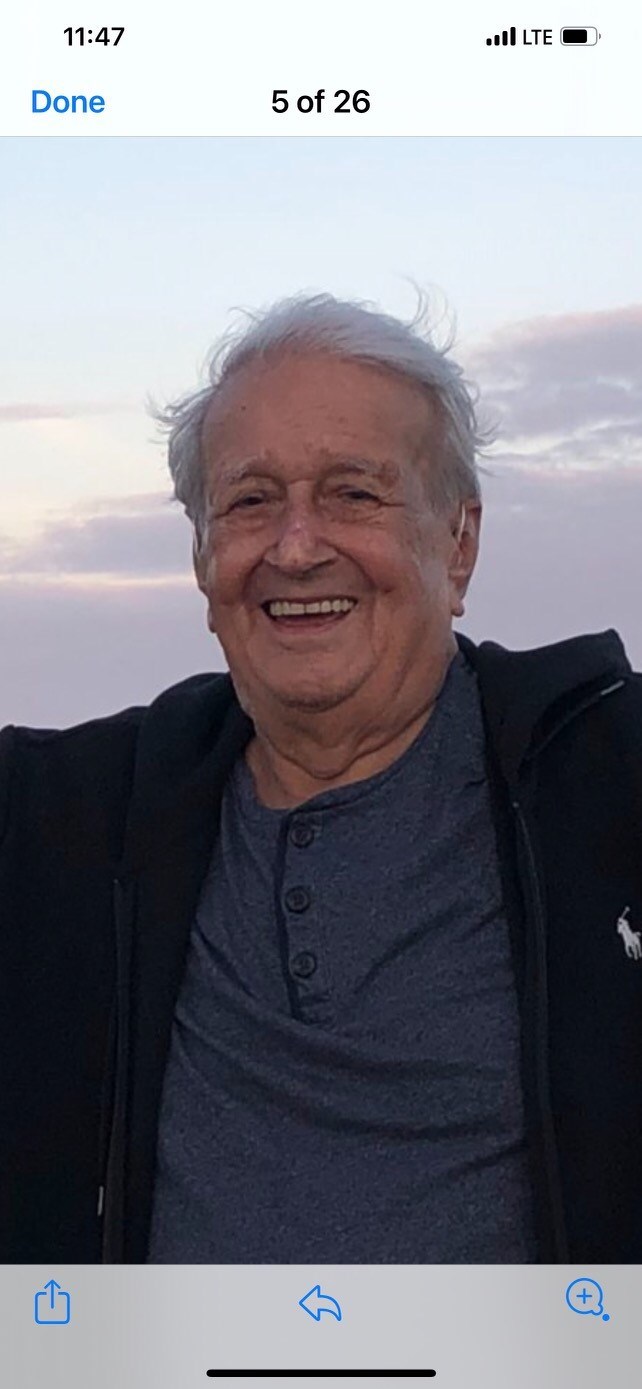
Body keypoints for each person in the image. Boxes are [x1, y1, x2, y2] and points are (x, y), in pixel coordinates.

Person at [1, 292, 640, 1266]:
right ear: (202, 554)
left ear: (459, 542)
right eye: (250, 501)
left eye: (354, 494)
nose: (296, 548)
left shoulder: (610, 783)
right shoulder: (61, 821)